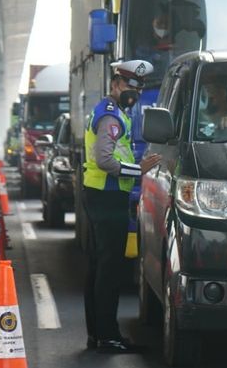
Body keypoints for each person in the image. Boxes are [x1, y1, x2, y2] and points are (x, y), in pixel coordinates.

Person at [82, 59, 161, 354]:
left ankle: (98, 334)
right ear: (115, 84)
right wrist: (138, 169)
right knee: (109, 270)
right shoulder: (112, 117)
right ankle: (108, 335)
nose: (134, 92)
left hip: (100, 195)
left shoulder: (112, 112)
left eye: (138, 87)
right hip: (107, 196)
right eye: (129, 85)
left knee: (99, 268)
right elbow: (105, 160)